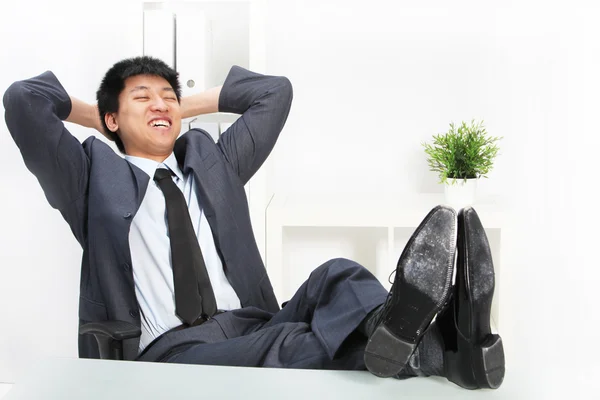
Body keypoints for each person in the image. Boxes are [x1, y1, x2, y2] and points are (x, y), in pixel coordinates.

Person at [3, 56, 505, 389]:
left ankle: (413, 337)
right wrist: (101, 116)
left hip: (252, 323)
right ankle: (447, 344)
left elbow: (274, 93)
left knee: (339, 273)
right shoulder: (89, 179)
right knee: (293, 345)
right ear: (113, 118)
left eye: (167, 96)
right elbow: (23, 102)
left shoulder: (212, 164)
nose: (159, 103)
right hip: (174, 354)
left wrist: (177, 107)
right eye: (141, 97)